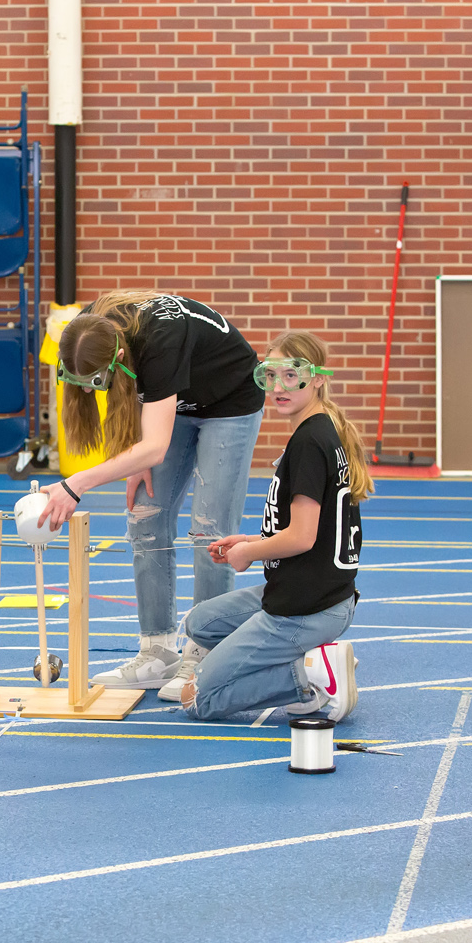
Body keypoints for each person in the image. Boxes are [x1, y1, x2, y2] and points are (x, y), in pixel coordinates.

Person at [40, 292, 265, 699]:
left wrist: (76, 485)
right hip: (175, 401)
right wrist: (135, 456)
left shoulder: (162, 339)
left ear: (120, 353)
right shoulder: (85, 330)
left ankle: (205, 650)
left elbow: (156, 446)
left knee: (209, 531)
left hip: (229, 400)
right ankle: (157, 651)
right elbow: (137, 408)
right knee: (145, 515)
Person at [178, 331, 366, 721]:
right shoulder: (318, 429)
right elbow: (311, 528)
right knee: (201, 622)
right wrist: (248, 539)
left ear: (316, 378)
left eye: (291, 375)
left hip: (306, 607)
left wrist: (249, 553)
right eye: (270, 376)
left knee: (201, 700)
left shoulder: (311, 442)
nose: (279, 387)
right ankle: (306, 660)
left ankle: (310, 674)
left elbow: (301, 536)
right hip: (310, 592)